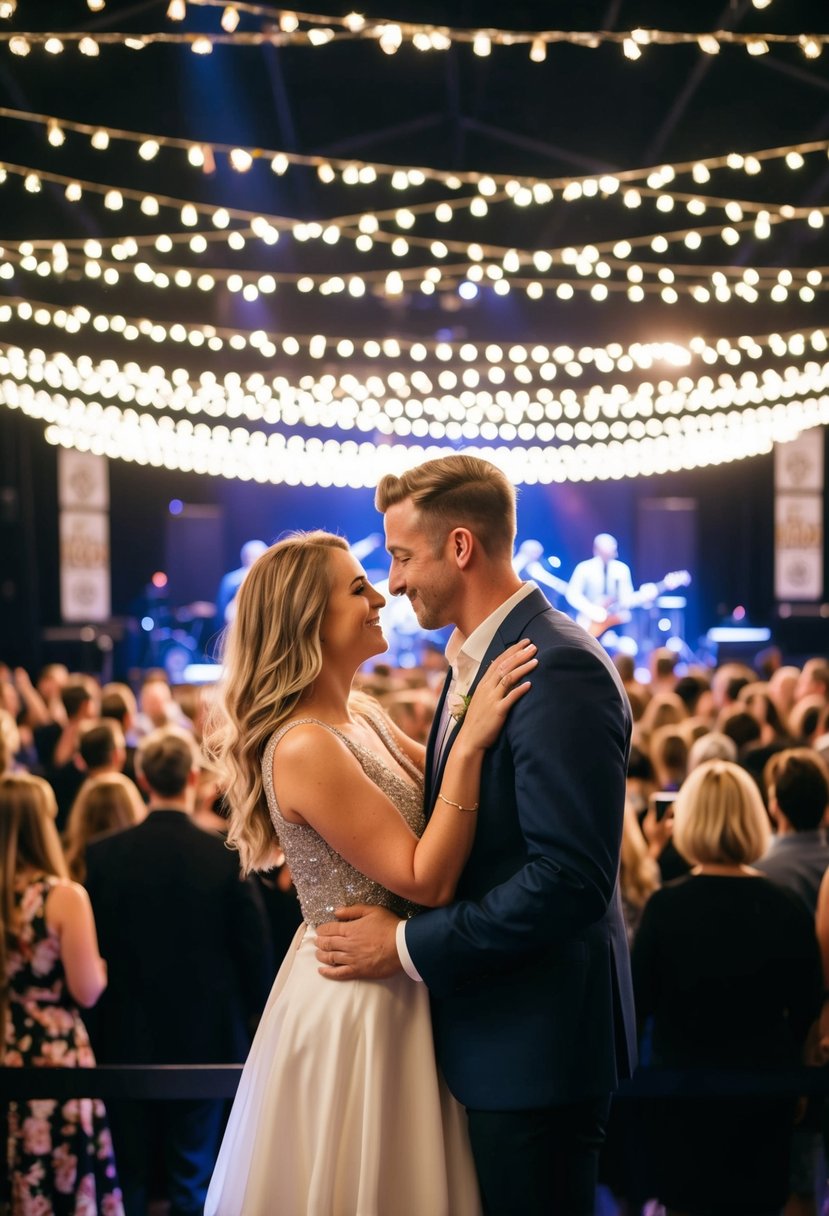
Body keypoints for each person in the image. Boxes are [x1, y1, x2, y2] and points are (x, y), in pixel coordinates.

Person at [315, 455, 636, 1216]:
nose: (391, 583)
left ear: (459, 547)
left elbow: (567, 881)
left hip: (535, 1051)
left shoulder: (553, 666)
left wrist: (401, 947)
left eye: (399, 556)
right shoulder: (479, 659)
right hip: (493, 1036)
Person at [203, 528, 537, 1216]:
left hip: (403, 980)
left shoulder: (362, 716)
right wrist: (470, 741)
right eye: (357, 588)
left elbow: (455, 806)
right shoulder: (303, 746)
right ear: (307, 621)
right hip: (357, 1005)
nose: (380, 594)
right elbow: (425, 877)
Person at [85, 726, 274, 1216]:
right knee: (195, 1177)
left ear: (143, 778)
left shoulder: (103, 856)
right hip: (206, 1036)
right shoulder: (224, 853)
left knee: (131, 1175)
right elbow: (253, 950)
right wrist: (258, 1022)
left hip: (125, 1034)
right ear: (193, 777)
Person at [632, 760, 822, 1216]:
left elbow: (639, 1003)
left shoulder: (664, 908)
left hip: (681, 1091)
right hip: (765, 1089)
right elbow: (808, 1004)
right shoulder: (786, 906)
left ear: (690, 818)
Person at [0, 773, 124, 1214]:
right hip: (54, 1049)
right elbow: (87, 991)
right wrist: (101, 968)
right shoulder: (62, 897)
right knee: (61, 1173)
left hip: (8, 1038)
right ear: (42, 823)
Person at [565, 532, 636, 637]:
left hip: (615, 623)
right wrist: (591, 610)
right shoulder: (584, 568)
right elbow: (572, 594)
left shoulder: (622, 570)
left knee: (627, 647)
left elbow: (627, 598)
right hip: (589, 623)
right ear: (597, 550)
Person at [214, 538, 268, 626]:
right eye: (250, 556)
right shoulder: (231, 580)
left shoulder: (270, 578)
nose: (252, 559)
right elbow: (221, 610)